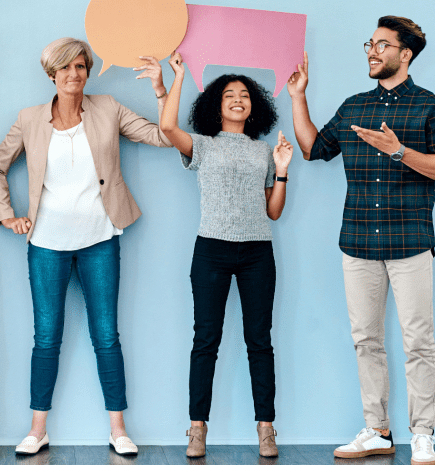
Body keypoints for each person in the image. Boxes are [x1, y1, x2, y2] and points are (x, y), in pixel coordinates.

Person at [286, 16, 435, 465]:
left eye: (382, 45)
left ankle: (422, 433)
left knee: (417, 341)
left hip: (410, 242)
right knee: (366, 339)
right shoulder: (354, 107)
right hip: (358, 242)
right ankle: (377, 430)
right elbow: (312, 149)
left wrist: (399, 152)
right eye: (371, 43)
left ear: (405, 55)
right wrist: (298, 96)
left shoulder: (432, 108)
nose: (372, 51)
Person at [0, 37, 173, 457]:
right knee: (46, 338)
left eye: (81, 67)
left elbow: (163, 136)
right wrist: (6, 214)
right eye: (65, 68)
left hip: (100, 240)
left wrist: (161, 89)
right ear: (51, 75)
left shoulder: (108, 108)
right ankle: (37, 430)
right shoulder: (30, 119)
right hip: (46, 243)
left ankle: (119, 429)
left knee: (106, 335)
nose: (74, 75)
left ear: (87, 72)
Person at [155, 52, 293, 458]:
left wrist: (282, 168)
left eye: (245, 95)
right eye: (229, 94)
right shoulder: (202, 145)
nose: (238, 99)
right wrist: (178, 75)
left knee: (260, 341)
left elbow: (274, 211)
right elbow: (166, 125)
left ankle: (266, 429)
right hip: (211, 250)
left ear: (255, 107)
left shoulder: (265, 151)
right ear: (217, 104)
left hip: (257, 252)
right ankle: (196, 429)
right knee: (206, 340)